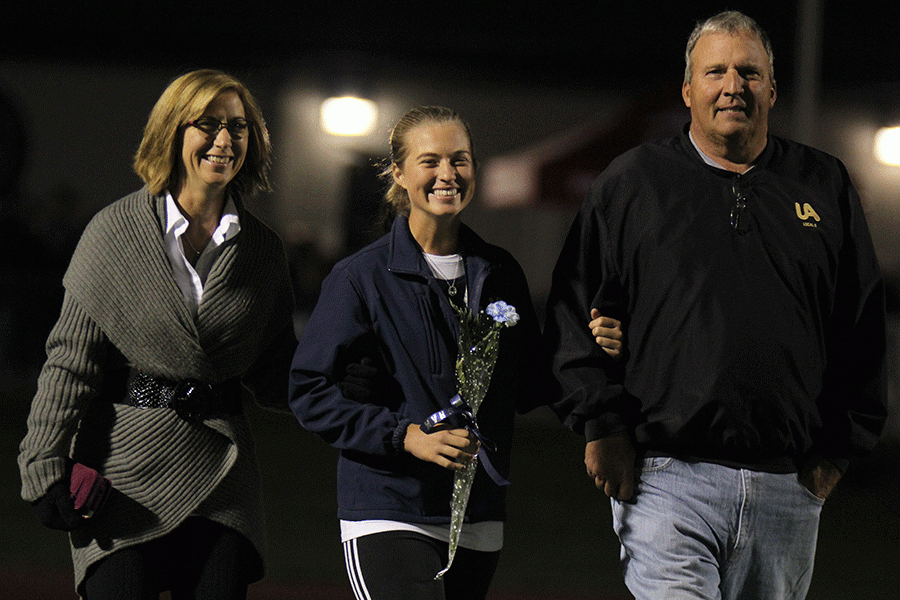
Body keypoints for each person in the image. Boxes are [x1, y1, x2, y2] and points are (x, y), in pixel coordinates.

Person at [543, 10, 887, 600]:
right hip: (666, 478)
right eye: (716, 72)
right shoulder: (633, 183)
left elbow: (861, 326)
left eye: (749, 73)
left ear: (773, 90)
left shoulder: (823, 185)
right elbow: (575, 309)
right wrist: (601, 423)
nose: (734, 86)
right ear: (687, 89)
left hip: (787, 485)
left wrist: (835, 452)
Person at [18, 69, 297, 599]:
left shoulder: (263, 251)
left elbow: (275, 371)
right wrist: (44, 463)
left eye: (237, 127)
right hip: (120, 472)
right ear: (173, 131)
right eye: (207, 124)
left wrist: (347, 378)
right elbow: (70, 363)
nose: (224, 141)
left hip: (222, 477)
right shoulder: (113, 232)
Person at [290, 106, 553, 600]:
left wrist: (594, 342)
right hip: (389, 505)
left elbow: (532, 384)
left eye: (460, 160)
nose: (447, 174)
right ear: (399, 173)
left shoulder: (500, 272)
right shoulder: (360, 277)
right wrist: (404, 435)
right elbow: (309, 392)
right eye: (430, 161)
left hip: (476, 513)